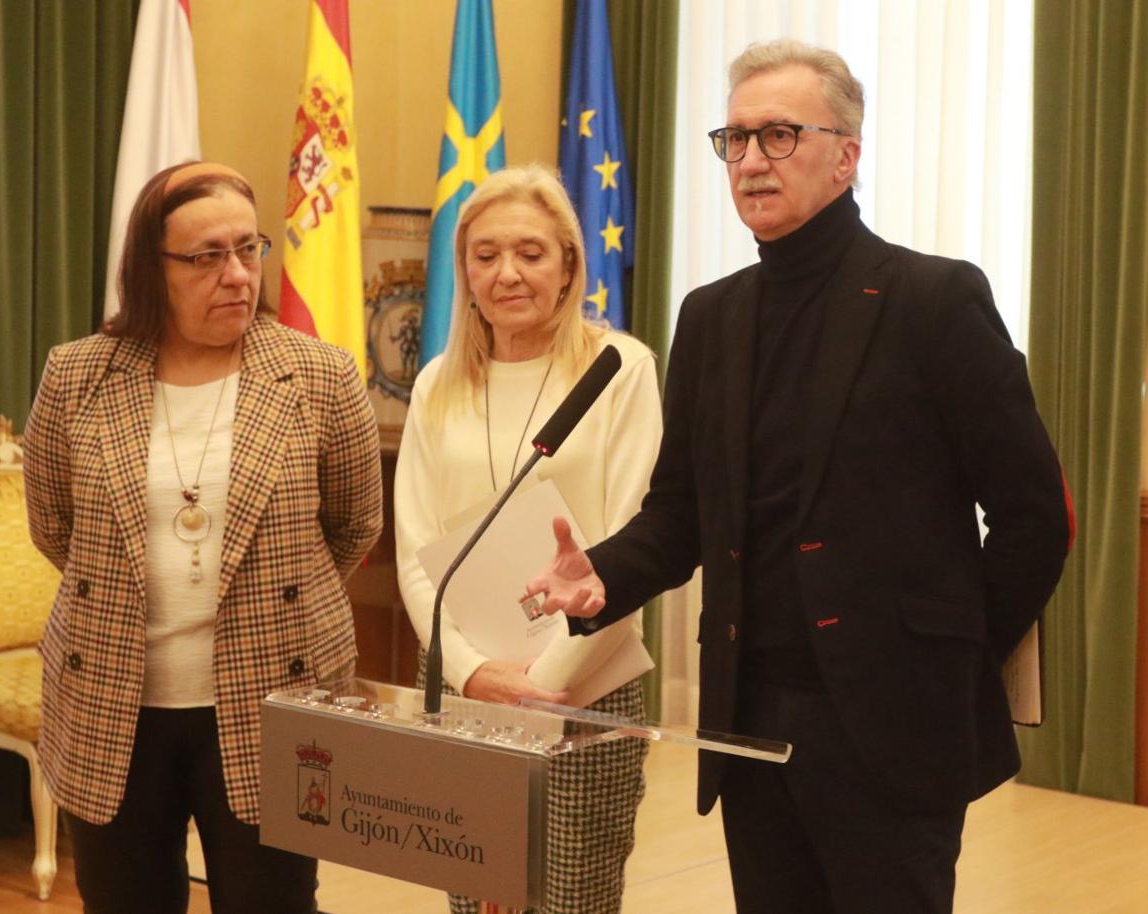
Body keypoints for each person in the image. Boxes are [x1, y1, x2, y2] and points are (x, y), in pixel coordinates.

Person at [525, 40, 1072, 914]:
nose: (749, 160)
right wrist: (603, 574)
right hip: (750, 719)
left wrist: (948, 654)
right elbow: (680, 515)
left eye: (778, 135)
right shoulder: (711, 317)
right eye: (734, 139)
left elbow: (1035, 516)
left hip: (893, 725)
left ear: (846, 155)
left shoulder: (932, 301)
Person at [23, 161, 383, 913]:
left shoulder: (320, 376)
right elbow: (56, 527)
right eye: (206, 256)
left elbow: (353, 526)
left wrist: (263, 600)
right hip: (113, 701)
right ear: (150, 270)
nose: (237, 276)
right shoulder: (76, 375)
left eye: (249, 250)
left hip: (273, 697)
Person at [394, 165, 662, 914]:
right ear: (465, 271)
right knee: (474, 900)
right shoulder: (438, 382)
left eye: (531, 253)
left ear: (570, 264)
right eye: (485, 255)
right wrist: (475, 672)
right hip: (463, 686)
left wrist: (544, 683)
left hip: (585, 686)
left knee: (568, 902)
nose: (507, 273)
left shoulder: (620, 369)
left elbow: (636, 537)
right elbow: (416, 546)